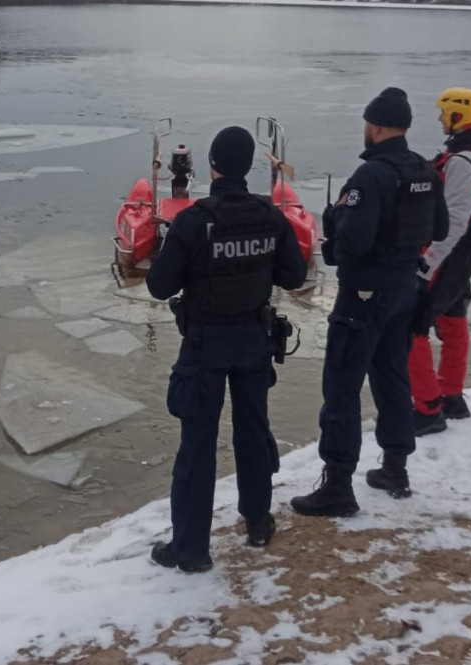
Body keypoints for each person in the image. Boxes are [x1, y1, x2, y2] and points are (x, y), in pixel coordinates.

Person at [146, 125, 308, 573]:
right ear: (245, 167)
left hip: (205, 345)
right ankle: (257, 521)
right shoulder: (271, 217)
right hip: (254, 342)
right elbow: (295, 278)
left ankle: (191, 550)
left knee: (197, 444)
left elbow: (160, 287)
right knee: (253, 430)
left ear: (212, 166)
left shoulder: (194, 222)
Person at [291, 88, 448, 516]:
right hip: (403, 291)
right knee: (392, 377)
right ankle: (395, 468)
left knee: (341, 386)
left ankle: (338, 487)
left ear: (375, 125)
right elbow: (438, 228)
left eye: (367, 123)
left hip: (364, 294)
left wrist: (336, 218)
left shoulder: (372, 176)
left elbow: (354, 243)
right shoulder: (424, 171)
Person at [410, 87, 471, 436]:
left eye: (443, 113)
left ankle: (428, 408)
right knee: (452, 319)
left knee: (412, 327)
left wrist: (428, 263)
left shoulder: (463, 163)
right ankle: (451, 396)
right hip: (466, 255)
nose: (438, 119)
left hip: (451, 256)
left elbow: (456, 220)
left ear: (457, 116)